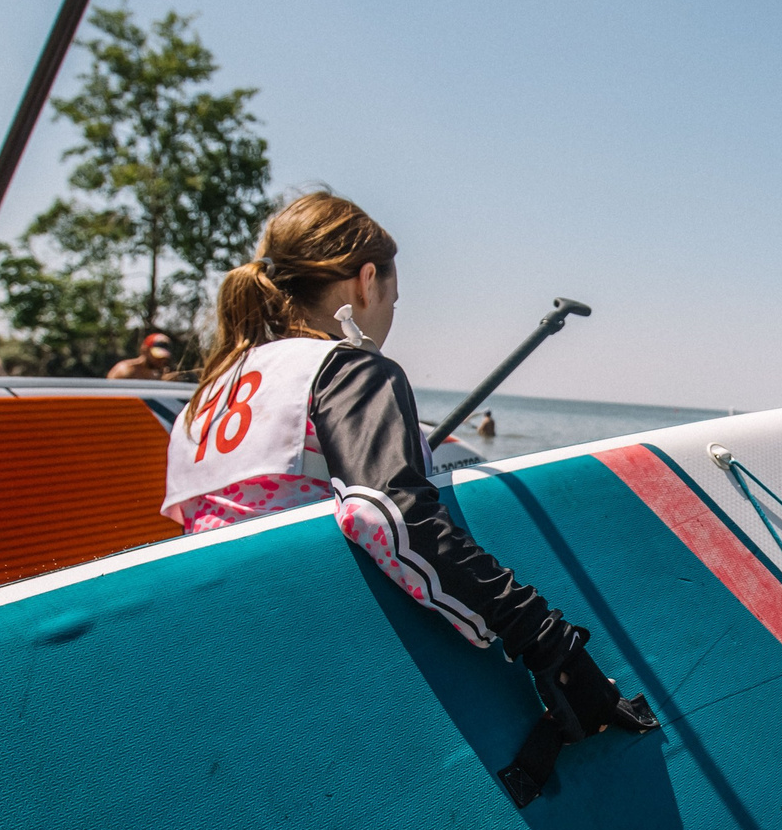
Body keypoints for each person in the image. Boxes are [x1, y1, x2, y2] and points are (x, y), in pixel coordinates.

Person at [160, 191, 654, 797]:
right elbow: (386, 518)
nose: (390, 312)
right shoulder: (348, 368)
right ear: (366, 281)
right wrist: (548, 641)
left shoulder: (215, 389)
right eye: (393, 296)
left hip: (208, 645)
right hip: (314, 650)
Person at [108, 332, 173, 380]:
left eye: (163, 358)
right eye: (157, 356)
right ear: (145, 350)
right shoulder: (126, 370)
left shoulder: (156, 374)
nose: (161, 361)